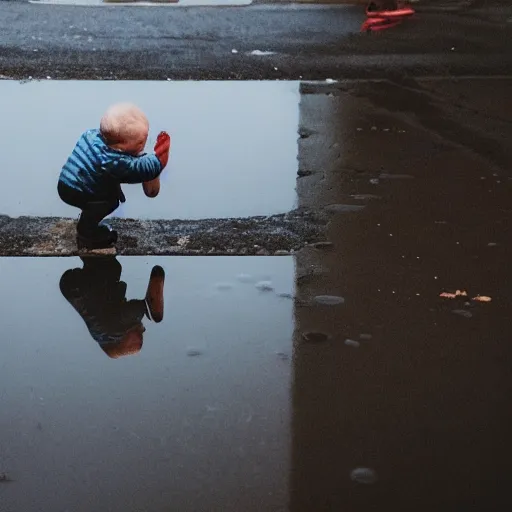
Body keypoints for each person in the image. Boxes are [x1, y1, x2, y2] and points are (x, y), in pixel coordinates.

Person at [57, 103, 171, 250]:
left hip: (67, 182)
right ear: (121, 146)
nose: (143, 145)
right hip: (77, 191)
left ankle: (88, 215)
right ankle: (88, 233)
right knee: (109, 202)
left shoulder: (91, 135)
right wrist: (158, 160)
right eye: (140, 142)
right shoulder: (113, 161)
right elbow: (139, 170)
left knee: (100, 194)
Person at [59, 257, 165, 359]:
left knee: (107, 269)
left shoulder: (111, 331)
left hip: (79, 289)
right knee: (110, 268)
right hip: (75, 287)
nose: (143, 332)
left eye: (139, 341)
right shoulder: (107, 334)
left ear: (126, 344)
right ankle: (94, 245)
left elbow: (131, 311)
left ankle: (94, 243)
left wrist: (147, 309)